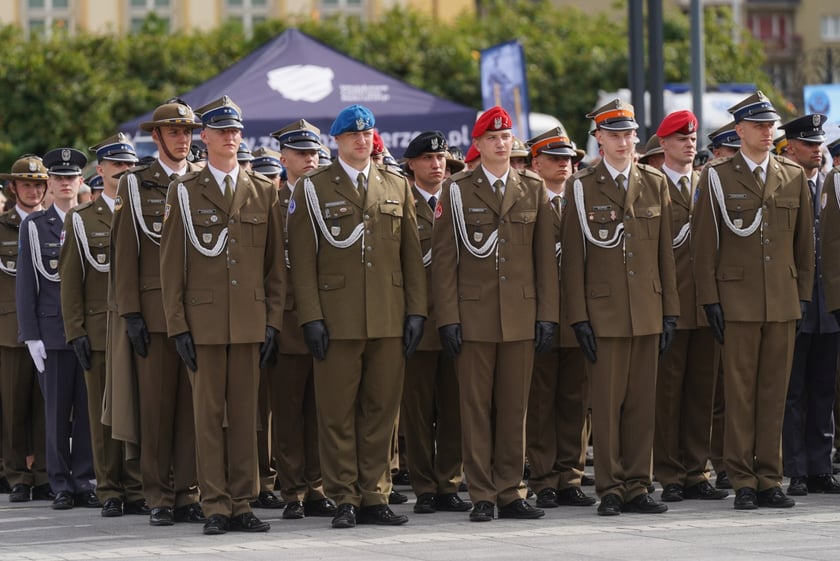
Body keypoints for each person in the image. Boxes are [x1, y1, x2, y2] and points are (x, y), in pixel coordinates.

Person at [286, 104, 426, 529]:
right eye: (353, 135)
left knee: (381, 411)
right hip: (337, 318)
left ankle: (375, 494)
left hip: (387, 315)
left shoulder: (396, 185)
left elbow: (411, 257)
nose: (362, 140)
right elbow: (303, 260)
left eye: (367, 134)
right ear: (338, 141)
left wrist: (417, 310)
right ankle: (343, 496)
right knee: (336, 413)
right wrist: (310, 316)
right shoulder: (312, 188)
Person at [160, 95, 285, 535]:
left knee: (247, 416)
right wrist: (177, 324)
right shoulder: (185, 191)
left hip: (249, 321)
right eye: (221, 131)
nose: (231, 138)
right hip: (205, 323)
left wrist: (272, 321)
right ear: (205, 138)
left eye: (236, 131)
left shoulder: (263, 191)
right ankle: (214, 503)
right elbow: (171, 264)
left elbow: (274, 266)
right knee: (209, 417)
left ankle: (243, 502)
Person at [431, 106, 559, 522]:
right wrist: (448, 317)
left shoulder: (532, 187)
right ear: (479, 144)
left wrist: (547, 315)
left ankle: (511, 490)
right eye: (493, 138)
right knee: (475, 408)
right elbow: (445, 260)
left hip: (521, 315)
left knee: (514, 407)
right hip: (474, 315)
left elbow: (545, 259)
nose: (502, 144)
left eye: (506, 138)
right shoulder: (457, 189)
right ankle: (482, 493)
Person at [692, 91, 814, 510]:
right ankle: (743, 478)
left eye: (771, 126)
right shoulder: (717, 176)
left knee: (774, 391)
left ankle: (769, 477)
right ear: (739, 130)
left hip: (780, 299)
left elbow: (804, 245)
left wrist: (801, 297)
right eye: (759, 126)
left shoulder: (792, 175)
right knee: (740, 392)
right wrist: (710, 299)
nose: (768, 132)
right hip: (737, 299)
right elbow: (704, 245)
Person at [560, 99, 679, 517]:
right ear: (599, 139)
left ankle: (638, 485)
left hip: (646, 308)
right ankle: (610, 487)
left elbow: (665, 252)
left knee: (642, 404)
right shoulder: (582, 184)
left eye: (629, 133)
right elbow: (573, 258)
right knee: (607, 407)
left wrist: (670, 311)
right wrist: (578, 316)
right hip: (604, 312)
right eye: (614, 134)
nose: (624, 141)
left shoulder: (653, 181)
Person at [110, 98, 204, 527]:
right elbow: (125, 251)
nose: (183, 139)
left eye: (187, 132)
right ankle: (158, 495)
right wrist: (130, 312)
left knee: (193, 408)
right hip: (154, 312)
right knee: (157, 408)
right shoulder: (136, 183)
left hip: (199, 312)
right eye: (174, 132)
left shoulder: (203, 180)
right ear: (156, 136)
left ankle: (187, 491)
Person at [59, 134, 147, 518]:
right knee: (100, 414)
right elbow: (70, 281)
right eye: (117, 166)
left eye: (130, 166)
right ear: (101, 170)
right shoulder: (80, 219)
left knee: (137, 409)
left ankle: (138, 485)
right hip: (97, 332)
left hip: (136, 328)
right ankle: (110, 488)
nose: (125, 171)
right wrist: (74, 330)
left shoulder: (144, 211)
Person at [650, 111, 727, 503]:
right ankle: (669, 473)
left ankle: (698, 471)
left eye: (692, 137)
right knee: (668, 395)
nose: (689, 143)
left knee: (703, 392)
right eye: (680, 138)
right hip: (672, 305)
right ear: (663, 144)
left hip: (706, 304)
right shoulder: (651, 185)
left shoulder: (708, 183)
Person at [16, 147, 96, 510]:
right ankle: (60, 483)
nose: (65, 183)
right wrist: (31, 334)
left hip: (90, 332)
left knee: (87, 412)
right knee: (56, 413)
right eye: (59, 177)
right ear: (50, 182)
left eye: (71, 177)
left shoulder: (90, 219)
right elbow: (27, 283)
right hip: (53, 333)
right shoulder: (34, 226)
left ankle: (84, 480)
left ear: (81, 181)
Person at [265, 119, 336, 521]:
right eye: (301, 153)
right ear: (284, 158)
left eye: (314, 152)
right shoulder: (269, 202)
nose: (310, 159)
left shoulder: (328, 198)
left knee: (323, 409)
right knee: (289, 412)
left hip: (327, 318)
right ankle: (292, 490)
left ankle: (318, 487)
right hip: (288, 320)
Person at [400, 131, 472, 516]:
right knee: (417, 410)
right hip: (417, 321)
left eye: (441, 156)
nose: (437, 164)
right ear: (411, 163)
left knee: (454, 408)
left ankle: (449, 484)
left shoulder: (458, 198)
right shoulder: (400, 200)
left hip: (457, 319)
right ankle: (424, 486)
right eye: (428, 158)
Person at [524, 126, 594, 509]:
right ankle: (544, 477)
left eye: (569, 159)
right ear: (536, 162)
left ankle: (571, 476)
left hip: (579, 314)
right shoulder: (526, 199)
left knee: (575, 401)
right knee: (541, 401)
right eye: (555, 158)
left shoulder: (581, 200)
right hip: (541, 315)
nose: (565, 165)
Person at [778, 114, 840, 495]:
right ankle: (796, 467)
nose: (817, 151)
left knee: (823, 387)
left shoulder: (830, 185)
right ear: (791, 147)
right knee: (793, 388)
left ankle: (820, 466)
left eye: (819, 144)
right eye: (809, 144)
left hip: (827, 302)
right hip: (793, 300)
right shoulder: (784, 184)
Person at [0, 155, 51, 503]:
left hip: (49, 326)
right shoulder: (2, 226)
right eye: (26, 184)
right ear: (13, 187)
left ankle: (46, 473)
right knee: (14, 406)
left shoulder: (55, 224)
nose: (33, 190)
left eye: (38, 184)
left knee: (48, 405)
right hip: (9, 330)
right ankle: (17, 473)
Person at [704, 120, 740, 491]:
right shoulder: (712, 182)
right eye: (728, 153)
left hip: (746, 298)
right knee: (718, 393)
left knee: (734, 391)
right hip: (718, 299)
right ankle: (721, 461)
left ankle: (736, 461)